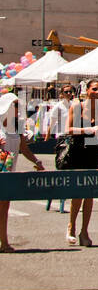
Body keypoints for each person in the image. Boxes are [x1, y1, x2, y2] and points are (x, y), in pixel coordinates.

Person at [0, 81, 47, 252]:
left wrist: (37, 162)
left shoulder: (18, 125)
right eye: (14, 105)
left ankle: (3, 242)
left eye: (18, 105)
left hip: (8, 172)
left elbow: (23, 148)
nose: (17, 108)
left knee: (4, 206)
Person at [65, 81, 98, 247]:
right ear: (87, 90)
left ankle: (84, 231)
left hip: (92, 151)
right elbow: (68, 130)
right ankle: (71, 226)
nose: (97, 92)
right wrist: (87, 130)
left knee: (90, 193)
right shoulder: (77, 106)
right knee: (78, 192)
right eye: (94, 89)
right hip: (77, 151)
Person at [44, 84, 75, 213]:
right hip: (62, 138)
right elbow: (52, 122)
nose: (69, 94)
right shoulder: (58, 106)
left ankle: (71, 199)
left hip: (73, 137)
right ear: (62, 94)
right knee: (61, 166)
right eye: (66, 92)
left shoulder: (74, 105)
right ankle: (56, 195)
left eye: (71, 92)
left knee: (72, 167)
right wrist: (47, 135)